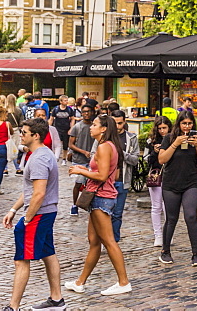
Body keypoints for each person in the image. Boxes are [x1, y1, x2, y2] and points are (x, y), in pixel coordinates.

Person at [3, 117, 66, 311]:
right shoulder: (42, 154)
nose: (20, 135)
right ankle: (56, 300)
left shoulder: (39, 158)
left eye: (23, 132)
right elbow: (32, 190)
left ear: (35, 136)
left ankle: (13, 307)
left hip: (39, 214)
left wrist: (27, 219)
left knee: (21, 260)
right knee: (48, 253)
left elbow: (39, 193)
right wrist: (14, 209)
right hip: (46, 212)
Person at [65, 114, 131, 297]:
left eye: (94, 125)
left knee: (109, 241)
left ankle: (123, 282)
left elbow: (102, 176)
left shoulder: (104, 147)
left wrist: (81, 170)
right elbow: (110, 174)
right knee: (94, 242)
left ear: (103, 129)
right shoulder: (110, 146)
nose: (90, 127)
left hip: (102, 197)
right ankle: (80, 282)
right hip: (100, 197)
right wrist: (86, 170)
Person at [156, 111, 197, 266]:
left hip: (190, 182)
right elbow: (162, 159)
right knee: (171, 218)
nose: (186, 126)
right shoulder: (168, 138)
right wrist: (175, 144)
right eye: (184, 123)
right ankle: (165, 251)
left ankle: (196, 253)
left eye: (189, 123)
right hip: (171, 183)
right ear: (178, 124)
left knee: (191, 216)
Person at [109, 111, 139, 242]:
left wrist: (121, 154)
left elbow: (135, 160)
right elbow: (94, 154)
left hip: (122, 179)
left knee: (117, 214)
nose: (117, 126)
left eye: (120, 123)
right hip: (106, 180)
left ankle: (114, 240)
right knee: (104, 212)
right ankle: (106, 239)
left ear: (124, 122)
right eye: (114, 123)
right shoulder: (104, 137)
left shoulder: (131, 138)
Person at [145, 116, 171, 248]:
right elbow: (147, 160)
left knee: (168, 206)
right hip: (156, 174)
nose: (162, 131)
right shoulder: (152, 141)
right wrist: (154, 152)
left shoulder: (173, 139)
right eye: (159, 128)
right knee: (156, 206)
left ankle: (168, 234)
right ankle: (158, 235)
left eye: (164, 128)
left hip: (171, 175)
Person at [68, 104, 96, 216]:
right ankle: (75, 205)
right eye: (84, 112)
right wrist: (83, 152)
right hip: (79, 159)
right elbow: (71, 144)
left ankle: (87, 203)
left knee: (90, 183)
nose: (86, 114)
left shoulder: (94, 126)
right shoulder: (77, 127)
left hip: (92, 160)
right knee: (78, 183)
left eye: (88, 111)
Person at [49, 95, 77, 166]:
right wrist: (49, 127)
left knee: (65, 145)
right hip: (57, 128)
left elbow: (72, 118)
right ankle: (55, 157)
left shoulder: (69, 109)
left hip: (66, 129)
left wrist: (71, 128)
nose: (66, 102)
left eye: (67, 100)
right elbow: (51, 119)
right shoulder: (56, 109)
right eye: (65, 100)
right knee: (56, 143)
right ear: (60, 101)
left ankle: (64, 159)